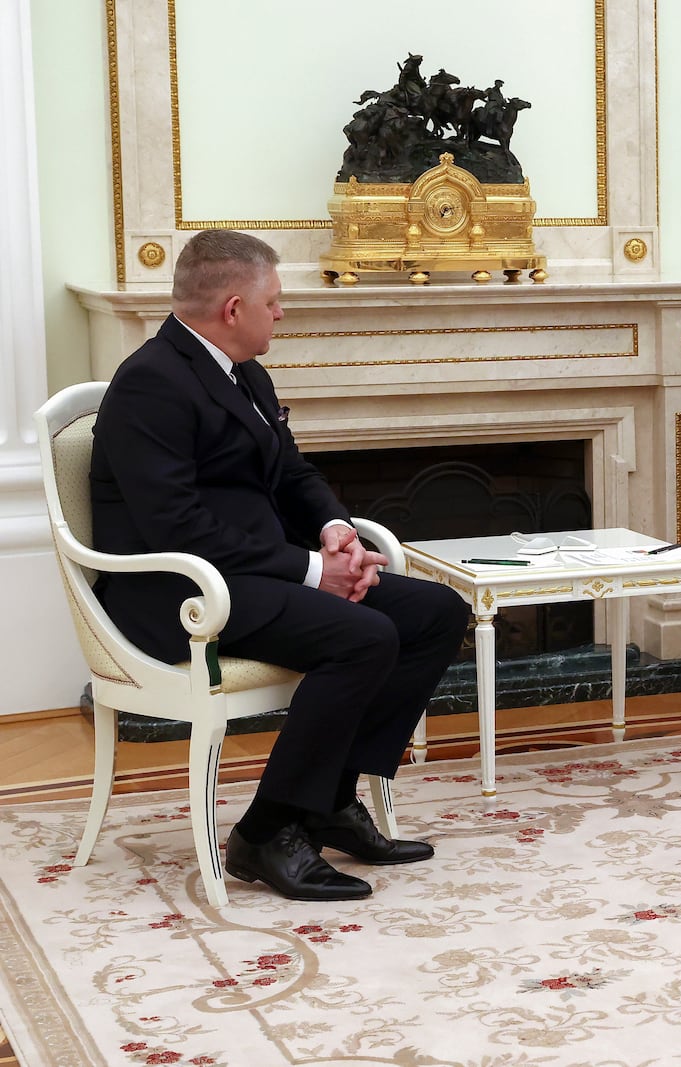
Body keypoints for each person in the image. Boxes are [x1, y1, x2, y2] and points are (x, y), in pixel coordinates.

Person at [90, 230, 470, 902]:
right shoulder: (151, 382)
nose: (283, 313)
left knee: (435, 611)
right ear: (234, 308)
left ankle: (326, 802)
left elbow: (292, 473)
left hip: (252, 575)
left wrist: (334, 532)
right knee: (364, 636)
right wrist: (311, 571)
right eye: (275, 300)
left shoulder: (244, 372)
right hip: (177, 593)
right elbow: (176, 528)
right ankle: (265, 832)